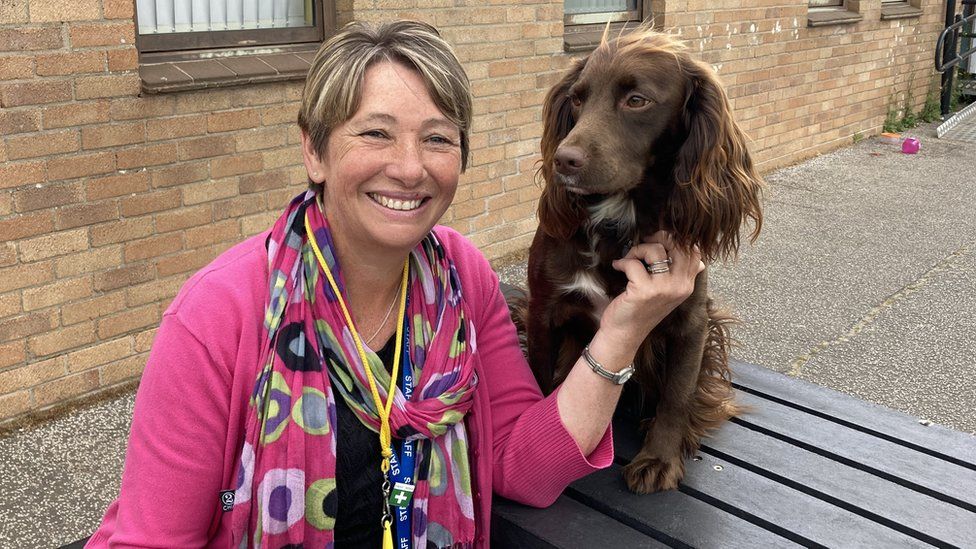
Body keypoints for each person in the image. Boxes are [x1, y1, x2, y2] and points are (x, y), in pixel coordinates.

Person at [87, 20, 704, 548]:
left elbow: (524, 468)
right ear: (315, 152)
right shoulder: (219, 314)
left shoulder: (464, 278)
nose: (409, 168)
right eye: (376, 133)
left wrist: (624, 329)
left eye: (437, 138)